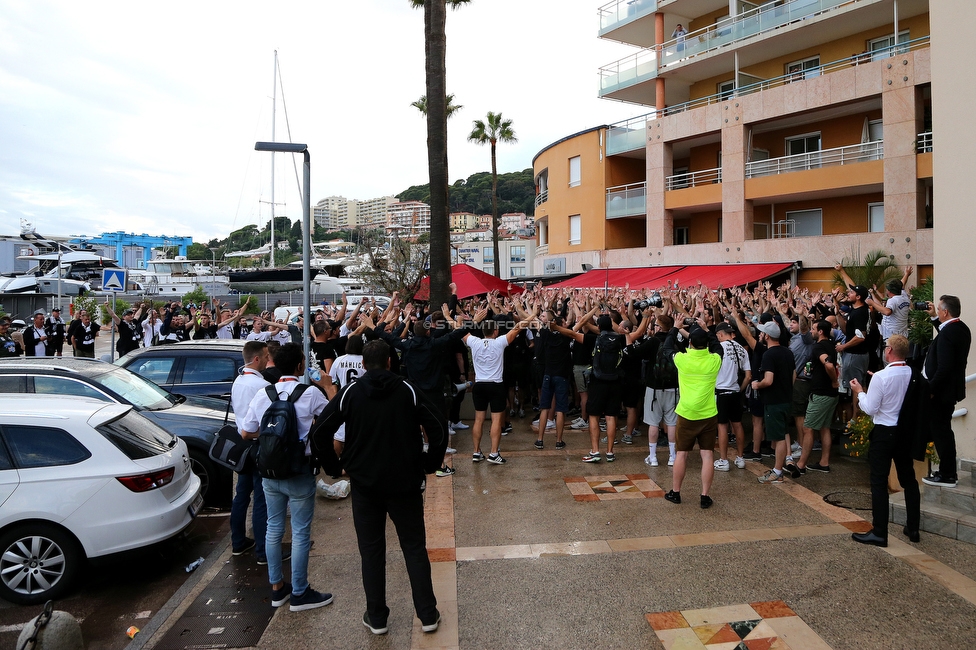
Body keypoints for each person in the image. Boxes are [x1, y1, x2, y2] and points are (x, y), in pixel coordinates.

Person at [311, 339, 447, 636]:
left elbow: (319, 431)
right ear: (389, 362)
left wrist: (335, 468)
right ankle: (427, 614)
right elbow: (438, 426)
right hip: (405, 483)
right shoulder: (407, 390)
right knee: (413, 548)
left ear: (362, 365)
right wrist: (429, 462)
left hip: (365, 486)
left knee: (371, 551)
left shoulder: (351, 393)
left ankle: (377, 617)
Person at [240, 342, 332, 612]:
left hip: (269, 471)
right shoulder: (310, 393)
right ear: (301, 365)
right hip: (299, 470)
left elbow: (246, 432)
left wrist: (271, 438)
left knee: (273, 528)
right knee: (301, 533)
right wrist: (327, 388)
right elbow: (332, 422)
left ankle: (277, 589)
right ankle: (301, 593)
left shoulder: (264, 393)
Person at [848, 334, 919, 547]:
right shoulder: (913, 373)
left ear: (889, 351)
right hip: (904, 432)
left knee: (878, 482)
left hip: (884, 432)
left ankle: (879, 532)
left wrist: (860, 392)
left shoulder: (881, 376)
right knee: (909, 479)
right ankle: (913, 527)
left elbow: (870, 408)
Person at [457, 307, 534, 465]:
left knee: (478, 420)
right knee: (496, 421)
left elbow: (460, 331)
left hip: (480, 385)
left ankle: (476, 452)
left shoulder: (475, 342)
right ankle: (493, 453)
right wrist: (532, 315)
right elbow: (518, 328)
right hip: (496, 385)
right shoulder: (500, 342)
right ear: (496, 331)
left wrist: (460, 320)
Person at [665, 328, 722, 508]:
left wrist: (675, 329)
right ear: (706, 344)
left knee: (681, 454)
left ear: (690, 343)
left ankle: (676, 492)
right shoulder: (714, 360)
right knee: (707, 455)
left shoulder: (682, 359)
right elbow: (718, 347)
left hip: (687, 413)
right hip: (708, 414)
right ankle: (704, 496)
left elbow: (667, 349)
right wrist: (707, 330)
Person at [921, 295, 971, 488]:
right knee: (942, 431)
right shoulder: (960, 329)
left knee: (941, 432)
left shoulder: (949, 333)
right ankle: (947, 472)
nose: (938, 312)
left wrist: (931, 389)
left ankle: (947, 474)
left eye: (939, 310)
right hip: (949, 391)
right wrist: (934, 318)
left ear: (946, 312)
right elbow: (944, 335)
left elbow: (944, 368)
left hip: (941, 393)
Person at [229, 341, 271, 564]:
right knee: (261, 499)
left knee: (242, 496)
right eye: (265, 356)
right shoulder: (260, 385)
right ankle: (264, 552)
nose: (267, 359)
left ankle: (238, 542)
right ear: (256, 359)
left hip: (241, 446)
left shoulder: (239, 380)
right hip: (255, 444)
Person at [752, 321, 796, 484]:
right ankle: (779, 468)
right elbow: (793, 375)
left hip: (774, 401)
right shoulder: (788, 352)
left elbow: (768, 380)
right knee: (782, 434)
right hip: (786, 399)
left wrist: (758, 384)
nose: (761, 335)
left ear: (767, 336)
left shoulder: (769, 355)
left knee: (777, 438)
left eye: (763, 333)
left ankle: (777, 471)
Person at [796, 320, 838, 474]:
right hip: (831, 394)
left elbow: (828, 364)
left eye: (813, 329)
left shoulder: (818, 347)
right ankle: (824, 462)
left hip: (821, 393)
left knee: (808, 428)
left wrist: (834, 380)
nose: (811, 331)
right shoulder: (831, 345)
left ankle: (800, 464)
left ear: (820, 331)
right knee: (825, 428)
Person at [713, 322, 751, 471]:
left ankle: (724, 460)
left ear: (721, 334)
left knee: (722, 426)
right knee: (737, 424)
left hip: (722, 391)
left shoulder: (719, 348)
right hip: (735, 391)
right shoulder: (742, 349)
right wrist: (740, 390)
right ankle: (740, 458)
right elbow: (748, 376)